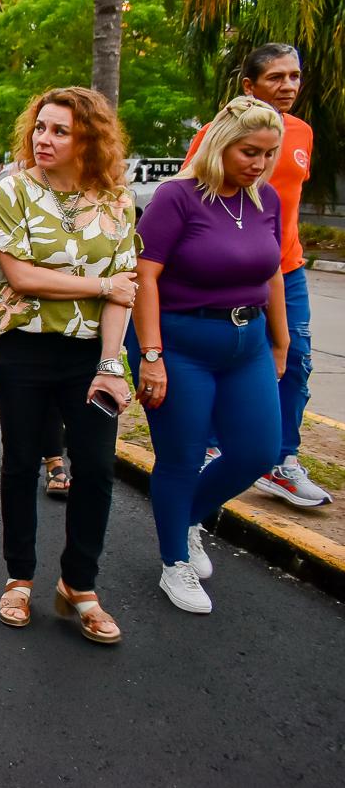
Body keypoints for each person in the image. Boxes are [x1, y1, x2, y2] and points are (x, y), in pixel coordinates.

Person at [0, 87, 137, 645]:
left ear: (87, 139)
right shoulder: (14, 189)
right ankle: (19, 577)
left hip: (90, 353)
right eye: (40, 127)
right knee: (21, 462)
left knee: (95, 467)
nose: (44, 139)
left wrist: (113, 364)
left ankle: (80, 586)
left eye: (60, 131)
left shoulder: (117, 201)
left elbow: (125, 292)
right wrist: (99, 284)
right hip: (21, 347)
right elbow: (20, 277)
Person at [128, 96, 289, 614]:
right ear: (222, 144)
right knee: (182, 454)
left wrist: (282, 341)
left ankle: (188, 517)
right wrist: (150, 355)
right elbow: (144, 277)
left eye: (268, 154)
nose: (259, 164)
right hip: (181, 343)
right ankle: (174, 560)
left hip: (248, 344)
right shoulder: (177, 198)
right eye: (249, 152)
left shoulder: (266, 201)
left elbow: (274, 273)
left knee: (259, 451)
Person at [183, 45, 329, 507]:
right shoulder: (213, 135)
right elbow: (191, 194)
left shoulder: (302, 133)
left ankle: (283, 462)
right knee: (220, 357)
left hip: (285, 269)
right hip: (230, 275)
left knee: (295, 361)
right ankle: (208, 451)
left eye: (295, 76)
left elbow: (288, 204)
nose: (288, 86)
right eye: (276, 78)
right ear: (250, 86)